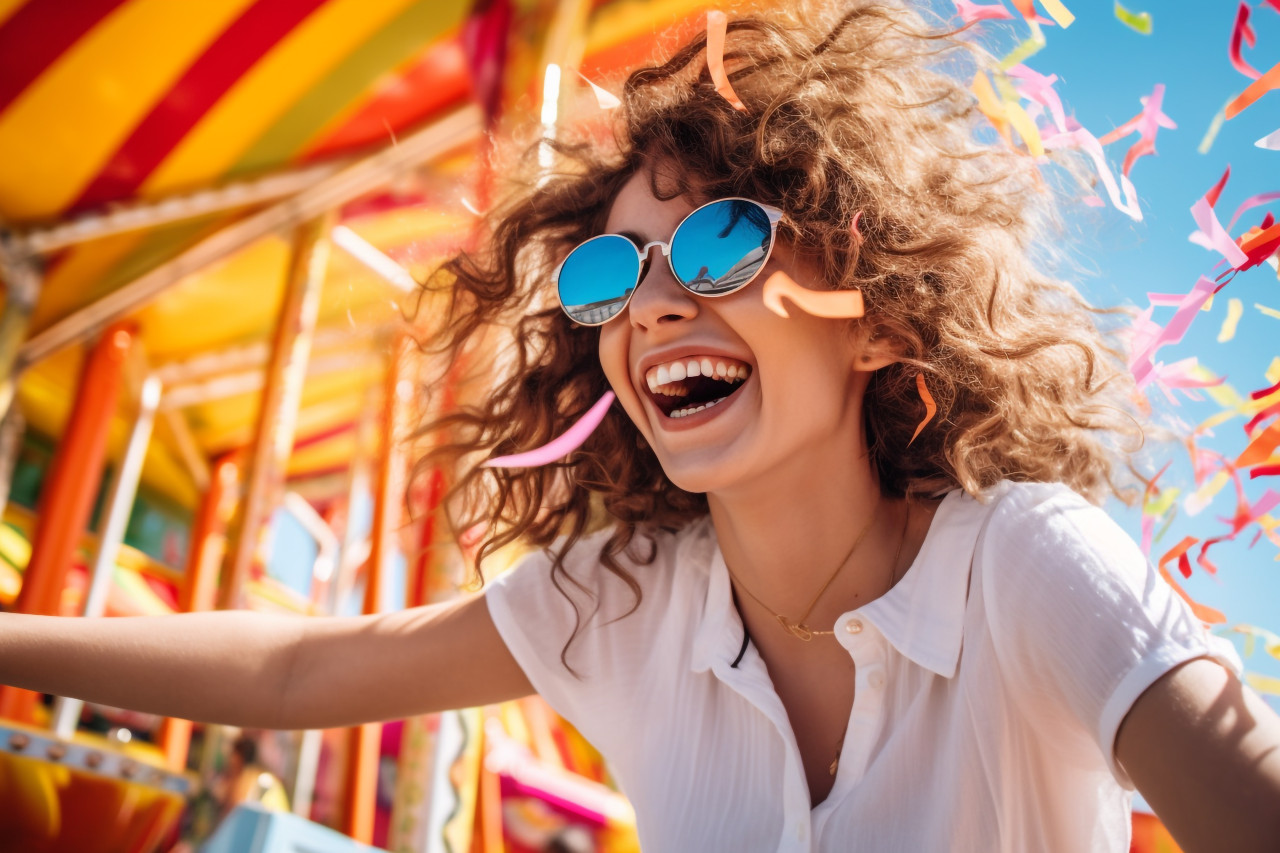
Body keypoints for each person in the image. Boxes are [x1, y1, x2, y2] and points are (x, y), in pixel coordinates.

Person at [2, 2, 1279, 850]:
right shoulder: (619, 600)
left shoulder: (1026, 566)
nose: (653, 308)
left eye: (722, 238)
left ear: (878, 317)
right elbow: (301, 672)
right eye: (610, 276)